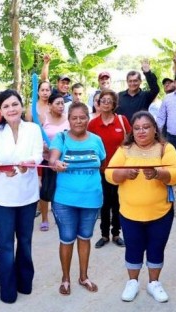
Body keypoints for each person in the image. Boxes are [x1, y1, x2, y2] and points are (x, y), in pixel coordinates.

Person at [106, 111, 176, 302]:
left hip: (161, 211)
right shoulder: (125, 149)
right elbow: (109, 173)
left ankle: (153, 283)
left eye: (146, 127)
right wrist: (124, 175)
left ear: (154, 130)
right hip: (129, 212)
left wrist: (158, 173)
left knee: (156, 247)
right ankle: (132, 282)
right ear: (132, 131)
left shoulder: (165, 148)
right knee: (133, 247)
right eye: (137, 128)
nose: (141, 132)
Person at [0, 89, 43, 303]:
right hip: (2, 197)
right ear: (0, 110)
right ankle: (7, 291)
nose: (11, 109)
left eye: (14, 104)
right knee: (5, 243)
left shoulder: (33, 129)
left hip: (27, 195)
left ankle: (25, 283)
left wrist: (30, 163)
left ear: (22, 106)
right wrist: (0, 168)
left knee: (25, 241)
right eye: (6, 106)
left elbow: (38, 154)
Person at [49, 103, 106, 295]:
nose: (78, 121)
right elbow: (52, 158)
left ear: (88, 118)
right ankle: (65, 278)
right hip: (65, 199)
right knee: (66, 238)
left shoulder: (97, 140)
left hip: (92, 198)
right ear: (69, 119)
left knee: (85, 237)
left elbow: (102, 162)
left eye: (82, 117)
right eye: (74, 117)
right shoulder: (61, 137)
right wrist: (56, 163)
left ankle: (84, 276)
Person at [87, 89, 131, 249]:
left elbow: (130, 143)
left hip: (119, 170)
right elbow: (88, 146)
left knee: (118, 203)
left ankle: (117, 234)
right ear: (98, 103)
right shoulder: (92, 124)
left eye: (109, 101)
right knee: (104, 204)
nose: (105, 103)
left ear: (114, 104)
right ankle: (104, 234)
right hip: (101, 171)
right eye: (102, 100)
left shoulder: (122, 120)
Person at [39, 93, 69, 231]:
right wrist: (43, 146)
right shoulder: (43, 118)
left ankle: (61, 216)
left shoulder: (68, 119)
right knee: (45, 191)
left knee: (62, 189)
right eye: (57, 103)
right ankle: (45, 219)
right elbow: (36, 137)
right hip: (47, 160)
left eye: (62, 103)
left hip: (64, 161)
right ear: (50, 105)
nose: (61, 106)